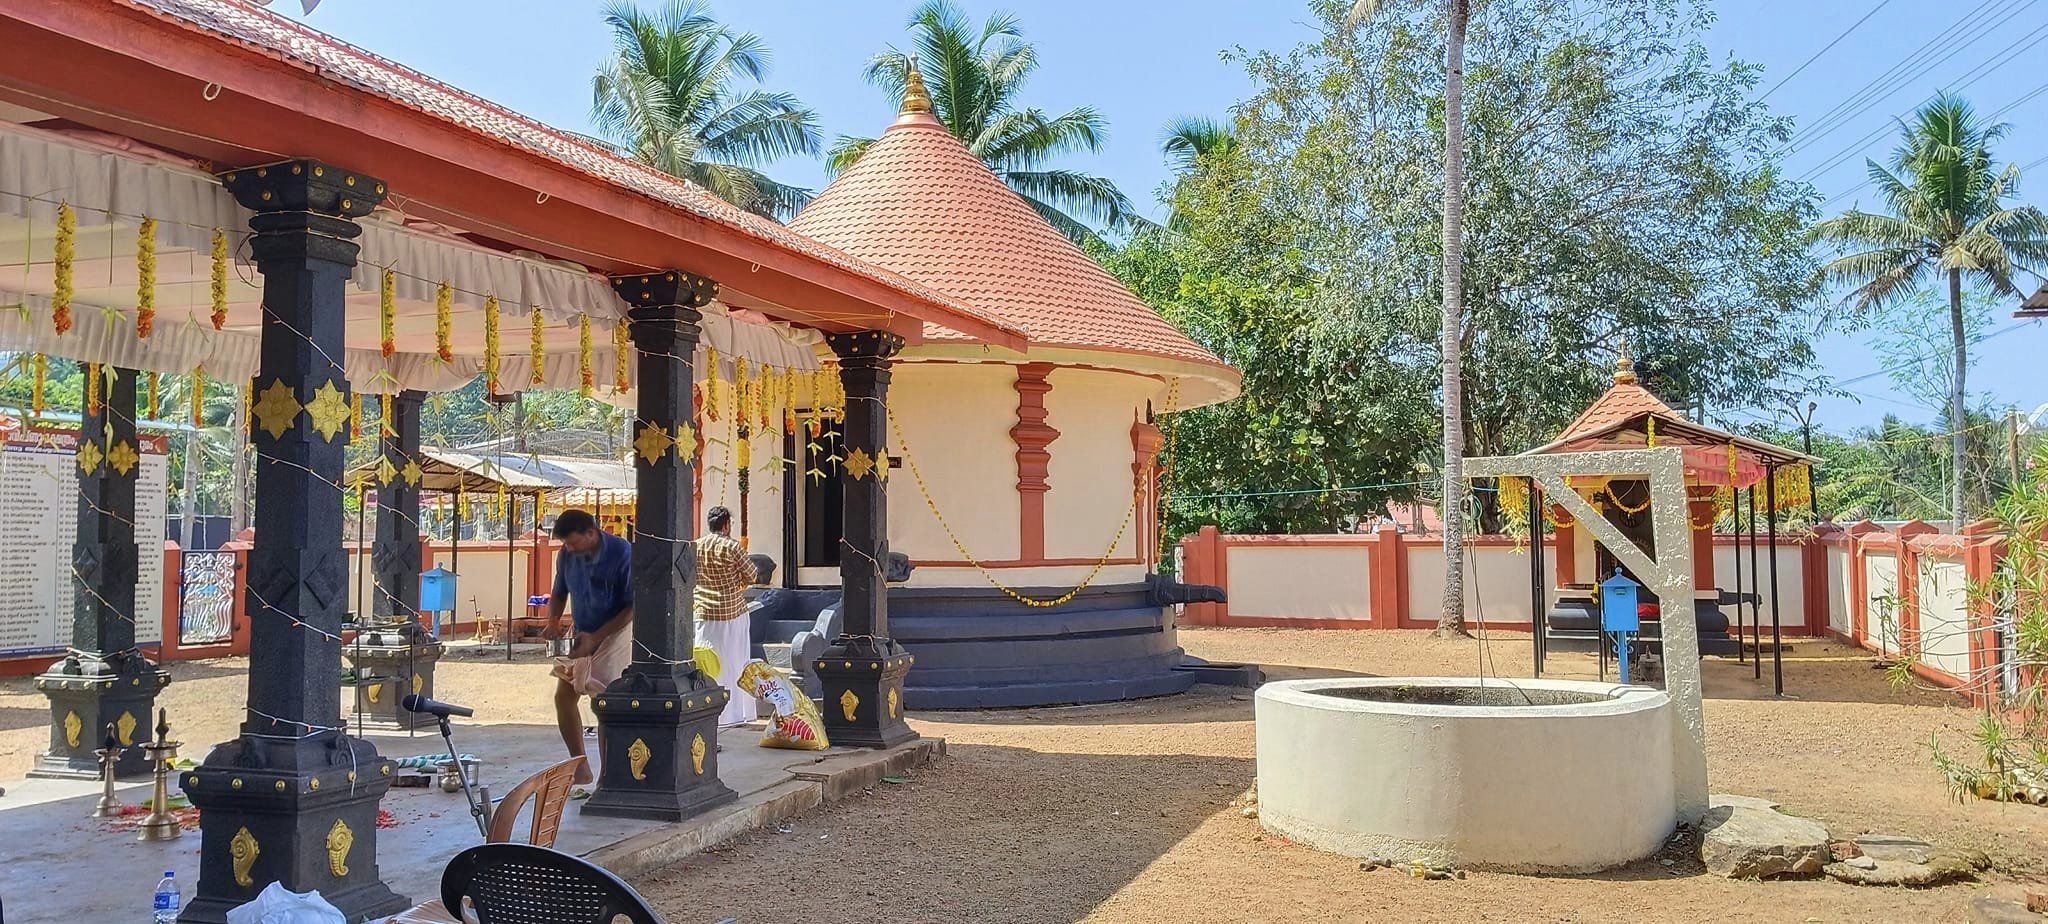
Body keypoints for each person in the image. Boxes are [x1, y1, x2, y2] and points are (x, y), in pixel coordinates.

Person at [541, 509, 632, 785]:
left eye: (573, 543)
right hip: (582, 631)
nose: (569, 549)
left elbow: (631, 607)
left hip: (615, 632)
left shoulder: (622, 553)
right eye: (565, 544)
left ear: (591, 534)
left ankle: (608, 775)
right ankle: (580, 763)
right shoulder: (567, 555)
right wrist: (553, 620)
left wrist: (596, 638)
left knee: (604, 702)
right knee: (564, 696)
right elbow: (559, 592)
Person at [693, 506, 760, 726]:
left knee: (707, 663)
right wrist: (737, 585)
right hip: (732, 612)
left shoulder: (697, 546)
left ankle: (708, 710)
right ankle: (735, 713)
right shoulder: (732, 547)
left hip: (703, 612)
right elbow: (752, 574)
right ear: (726, 524)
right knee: (735, 661)